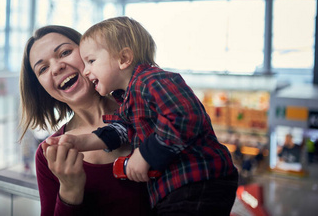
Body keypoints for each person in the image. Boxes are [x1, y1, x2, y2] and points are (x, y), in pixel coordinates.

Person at [47, 16, 238, 215]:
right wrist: (81, 142)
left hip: (198, 181)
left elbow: (184, 116)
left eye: (91, 61)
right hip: (176, 189)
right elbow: (120, 130)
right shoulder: (128, 98)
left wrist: (146, 153)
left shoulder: (153, 81)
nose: (86, 71)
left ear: (124, 59)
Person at [19, 25, 154, 216]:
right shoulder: (49, 155)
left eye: (65, 52)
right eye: (43, 68)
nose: (57, 68)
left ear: (89, 52)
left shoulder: (147, 107)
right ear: (41, 87)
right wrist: (69, 191)